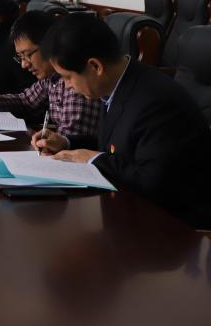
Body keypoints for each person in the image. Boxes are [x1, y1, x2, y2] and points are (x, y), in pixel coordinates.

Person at [37, 13, 211, 229]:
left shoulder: (156, 102)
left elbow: (151, 182)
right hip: (131, 211)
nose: (66, 86)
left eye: (67, 77)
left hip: (175, 227)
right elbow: (118, 144)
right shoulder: (118, 83)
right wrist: (67, 143)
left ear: (95, 66)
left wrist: (93, 159)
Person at [0, 10, 101, 141]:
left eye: (27, 55)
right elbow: (25, 101)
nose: (24, 64)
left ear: (48, 45)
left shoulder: (77, 82)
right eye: (20, 57)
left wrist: (51, 144)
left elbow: (70, 143)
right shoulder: (51, 77)